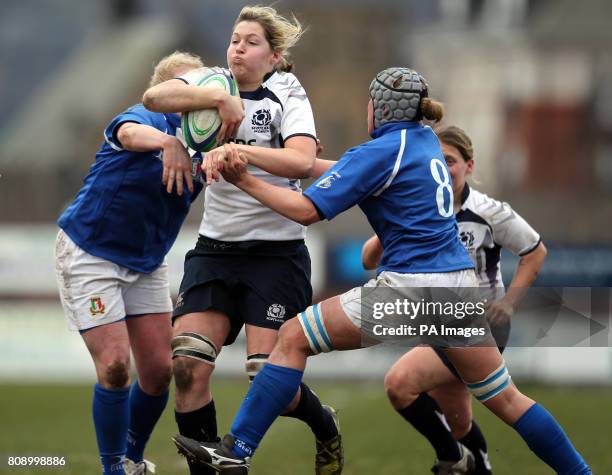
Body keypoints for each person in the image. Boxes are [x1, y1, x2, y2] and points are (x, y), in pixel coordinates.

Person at [170, 66, 591, 475]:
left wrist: (242, 177)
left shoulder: (381, 152)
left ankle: (237, 449)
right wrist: (285, 162)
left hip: (412, 290)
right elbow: (352, 168)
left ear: (378, 109)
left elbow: (305, 210)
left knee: (293, 338)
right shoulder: (424, 140)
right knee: (509, 400)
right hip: (462, 290)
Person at [142, 6, 343, 475]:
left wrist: (238, 150)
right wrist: (216, 101)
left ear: (273, 56)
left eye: (251, 42)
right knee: (187, 366)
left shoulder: (287, 90)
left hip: (276, 254)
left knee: (269, 378)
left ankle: (323, 425)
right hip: (215, 249)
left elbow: (300, 161)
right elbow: (155, 97)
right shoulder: (213, 81)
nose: (238, 48)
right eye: (234, 39)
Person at [54, 51, 243, 475]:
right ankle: (112, 469)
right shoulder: (149, 119)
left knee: (159, 372)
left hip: (146, 263)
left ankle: (134, 461)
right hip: (90, 253)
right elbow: (127, 133)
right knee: (117, 366)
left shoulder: (209, 138)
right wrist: (167, 142)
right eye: (185, 86)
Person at [362, 125, 547, 474]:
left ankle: (454, 459)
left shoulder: (488, 211)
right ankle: (474, 463)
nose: (443, 168)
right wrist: (391, 228)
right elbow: (368, 260)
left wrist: (508, 304)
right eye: (436, 161)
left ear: (469, 166)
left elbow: (535, 251)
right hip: (440, 322)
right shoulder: (419, 207)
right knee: (458, 421)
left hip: (478, 325)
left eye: (450, 160)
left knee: (400, 384)